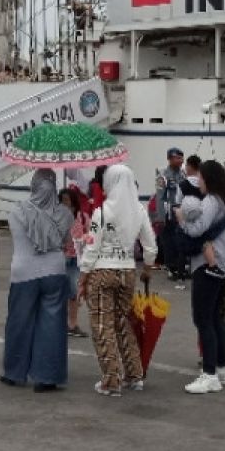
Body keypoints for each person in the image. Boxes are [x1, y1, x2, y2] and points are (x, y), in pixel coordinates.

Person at [78, 165, 156, 397]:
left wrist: (83, 277)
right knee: (123, 322)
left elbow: (92, 247)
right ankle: (134, 374)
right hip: (127, 272)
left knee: (103, 326)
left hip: (102, 272)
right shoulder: (139, 212)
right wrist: (148, 268)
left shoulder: (102, 212)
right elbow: (150, 246)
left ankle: (111, 380)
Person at [0, 169, 73, 392]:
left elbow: (17, 239)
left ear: (33, 185)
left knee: (19, 323)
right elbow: (68, 242)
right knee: (52, 324)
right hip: (55, 271)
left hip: (24, 273)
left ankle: (14, 373)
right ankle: (47, 377)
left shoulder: (17, 212)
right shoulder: (65, 214)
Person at [177, 160, 225, 394]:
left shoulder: (212, 201)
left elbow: (197, 229)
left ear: (209, 179)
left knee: (203, 319)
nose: (199, 182)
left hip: (207, 266)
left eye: (201, 178)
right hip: (221, 265)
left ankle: (209, 374)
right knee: (216, 320)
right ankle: (222, 368)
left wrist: (181, 219)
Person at [59, 189, 89, 338]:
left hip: (77, 259)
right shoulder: (56, 217)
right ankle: (60, 323)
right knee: (61, 292)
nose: (65, 204)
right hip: (61, 258)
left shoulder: (83, 217)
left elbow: (90, 236)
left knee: (74, 292)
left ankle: (72, 323)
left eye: (67, 200)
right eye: (62, 200)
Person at [154, 148, 186, 280]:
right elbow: (160, 197)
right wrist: (160, 217)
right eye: (177, 158)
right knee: (169, 242)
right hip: (168, 213)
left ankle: (181, 267)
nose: (180, 160)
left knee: (180, 241)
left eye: (181, 158)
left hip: (181, 213)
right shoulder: (162, 175)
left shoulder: (183, 174)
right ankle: (171, 268)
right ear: (170, 159)